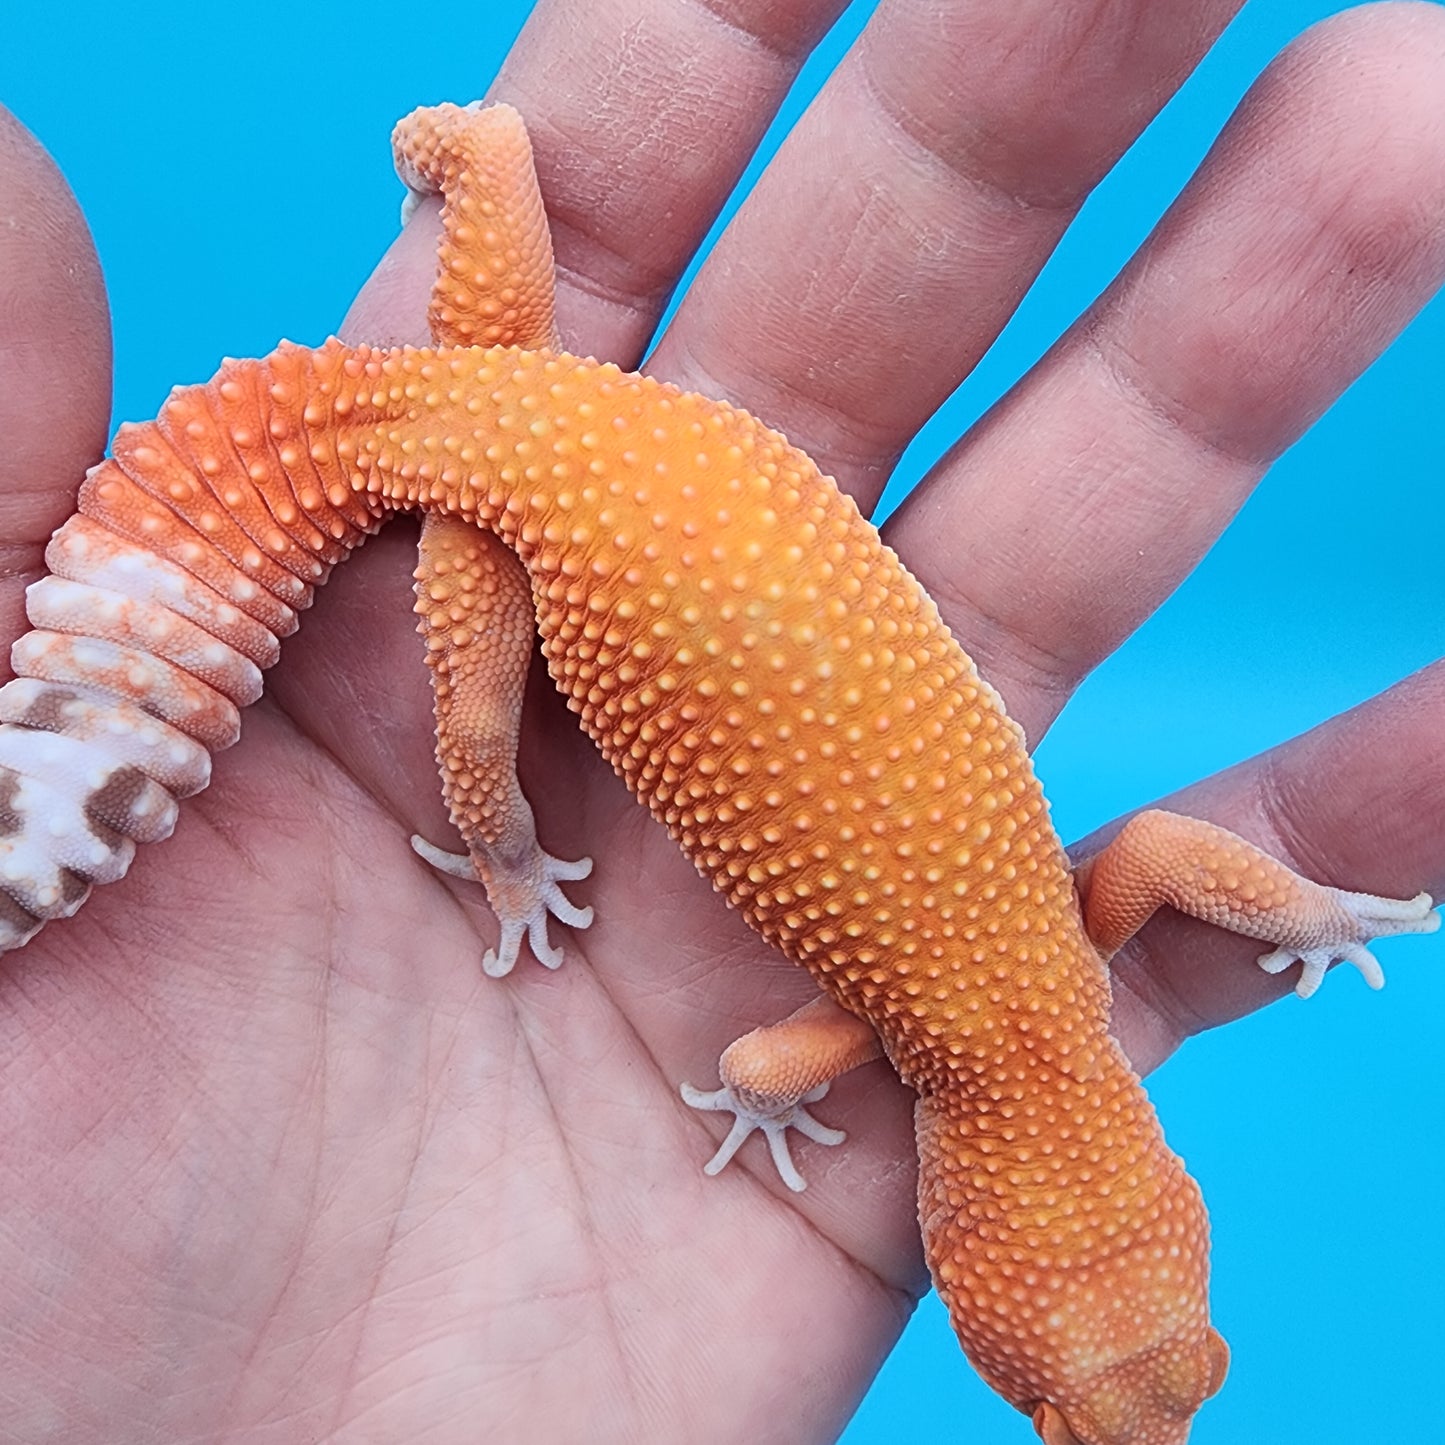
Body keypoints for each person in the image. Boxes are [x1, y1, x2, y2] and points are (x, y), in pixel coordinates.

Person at [0, 1, 1441, 1439]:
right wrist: (533, 885)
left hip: (558, 420)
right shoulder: (897, 1030)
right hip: (504, 496)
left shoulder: (1088, 936)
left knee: (494, 187)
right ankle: (499, 854)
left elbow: (1167, 855)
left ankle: (478, 160)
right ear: (960, 1258)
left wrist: (1301, 912)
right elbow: (752, 1070)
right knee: (481, 738)